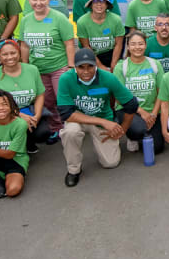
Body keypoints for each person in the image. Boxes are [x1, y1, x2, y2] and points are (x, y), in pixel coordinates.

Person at [57, 48, 138, 186]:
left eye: (90, 66)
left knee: (111, 163)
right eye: (81, 67)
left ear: (96, 65)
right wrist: (103, 122)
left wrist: (122, 129)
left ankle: (101, 144)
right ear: (75, 67)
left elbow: (131, 104)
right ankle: (74, 170)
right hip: (78, 119)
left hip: (102, 118)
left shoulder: (108, 77)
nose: (86, 71)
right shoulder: (66, 79)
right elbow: (66, 114)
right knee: (70, 132)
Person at [17, 0, 77, 134]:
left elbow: (69, 43)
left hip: (59, 67)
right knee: (47, 101)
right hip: (38, 69)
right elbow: (24, 46)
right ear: (29, 1)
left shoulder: (59, 18)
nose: (38, 3)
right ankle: (56, 128)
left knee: (63, 99)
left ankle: (72, 128)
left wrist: (70, 66)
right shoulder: (26, 21)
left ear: (48, 0)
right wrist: (25, 66)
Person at [0, 39, 55, 154]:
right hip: (5, 113)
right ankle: (15, 147)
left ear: (19, 53)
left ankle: (28, 143)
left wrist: (37, 116)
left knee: (43, 132)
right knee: (20, 124)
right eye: (5, 54)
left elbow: (39, 95)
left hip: (28, 109)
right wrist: (19, 115)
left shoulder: (32, 70)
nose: (10, 57)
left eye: (13, 53)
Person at [116, 30, 165, 155]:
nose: (137, 47)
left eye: (140, 44)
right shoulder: (121, 67)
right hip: (129, 111)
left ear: (145, 45)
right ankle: (132, 137)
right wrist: (142, 112)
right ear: (127, 46)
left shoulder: (155, 64)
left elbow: (161, 93)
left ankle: (143, 135)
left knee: (157, 147)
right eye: (133, 44)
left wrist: (153, 114)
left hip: (152, 111)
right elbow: (120, 97)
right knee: (140, 129)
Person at [75, 0, 125, 70]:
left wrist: (114, 64)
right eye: (95, 1)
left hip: (111, 54)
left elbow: (118, 44)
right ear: (91, 5)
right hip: (91, 55)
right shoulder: (82, 21)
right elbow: (86, 46)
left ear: (106, 4)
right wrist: (100, 66)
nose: (99, 4)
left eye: (102, 1)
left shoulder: (116, 20)